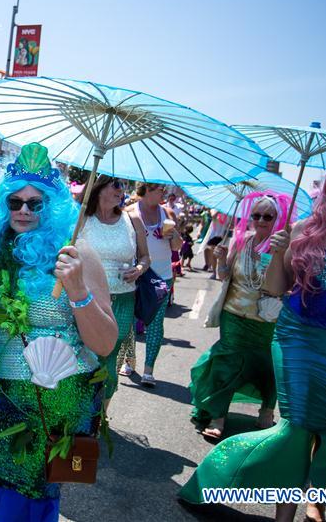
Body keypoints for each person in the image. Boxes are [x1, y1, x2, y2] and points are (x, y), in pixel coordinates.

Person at [0, 143, 116, 522]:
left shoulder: (78, 253)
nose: (22, 210)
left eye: (34, 204)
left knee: (29, 492)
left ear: (50, 206)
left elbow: (104, 342)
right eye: (14, 201)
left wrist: (78, 291)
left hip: (54, 402)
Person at [179, 158, 326, 521]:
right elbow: (276, 288)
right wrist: (279, 252)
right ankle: (281, 514)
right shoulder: (304, 230)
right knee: (296, 429)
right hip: (299, 340)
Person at [188, 192, 292, 440]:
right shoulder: (242, 240)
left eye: (268, 215)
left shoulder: (285, 246)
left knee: (267, 364)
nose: (261, 220)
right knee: (226, 362)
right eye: (256, 215)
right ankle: (218, 415)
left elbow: (286, 285)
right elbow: (225, 276)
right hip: (233, 315)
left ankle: (266, 410)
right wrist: (220, 260)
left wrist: (281, 253)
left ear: (278, 218)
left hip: (265, 320)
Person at [77, 175, 150, 404]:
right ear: (99, 188)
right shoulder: (81, 218)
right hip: (88, 299)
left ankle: (100, 412)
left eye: (124, 186)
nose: (122, 190)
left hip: (122, 298)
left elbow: (146, 257)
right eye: (117, 184)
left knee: (108, 351)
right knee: (86, 351)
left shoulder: (132, 219)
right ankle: (78, 407)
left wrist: (139, 268)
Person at [123, 182, 182, 387]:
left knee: (156, 323)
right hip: (137, 275)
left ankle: (149, 370)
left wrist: (173, 236)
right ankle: (129, 361)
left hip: (162, 276)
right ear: (147, 190)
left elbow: (177, 247)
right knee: (130, 321)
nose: (163, 193)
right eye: (160, 190)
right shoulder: (129, 212)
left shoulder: (167, 214)